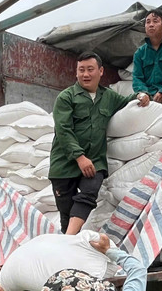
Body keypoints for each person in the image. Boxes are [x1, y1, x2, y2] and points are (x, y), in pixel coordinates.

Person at [50, 51, 135, 235]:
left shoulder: (109, 96)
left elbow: (128, 103)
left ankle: (68, 239)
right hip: (64, 164)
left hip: (95, 160)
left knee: (89, 194)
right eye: (81, 70)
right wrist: (79, 157)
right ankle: (68, 247)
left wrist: (141, 98)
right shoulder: (66, 97)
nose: (85, 74)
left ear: (101, 71)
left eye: (90, 69)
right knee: (66, 214)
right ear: (76, 72)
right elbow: (63, 130)